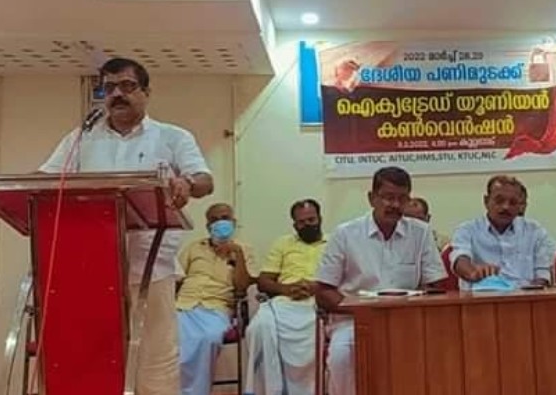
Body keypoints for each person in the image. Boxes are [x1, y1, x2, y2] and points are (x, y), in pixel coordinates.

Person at [39, 57, 213, 394]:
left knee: (155, 367)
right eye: (109, 88)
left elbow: (205, 180)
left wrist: (187, 183)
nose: (117, 94)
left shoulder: (172, 137)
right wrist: (2, 192)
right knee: (93, 363)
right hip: (91, 270)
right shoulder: (81, 138)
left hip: (150, 269)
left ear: (146, 92)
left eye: (127, 86)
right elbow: (46, 179)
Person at [315, 167, 447, 395]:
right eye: (388, 197)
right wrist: (362, 312)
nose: (395, 205)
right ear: (371, 198)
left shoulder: (421, 233)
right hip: (353, 322)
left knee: (439, 351)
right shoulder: (345, 234)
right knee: (341, 355)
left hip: (405, 321)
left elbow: (434, 286)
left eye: (402, 198)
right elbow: (323, 290)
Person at [245, 199, 327, 395]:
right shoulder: (283, 243)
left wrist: (315, 287)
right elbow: (263, 281)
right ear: (295, 225)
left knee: (320, 329)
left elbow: (346, 278)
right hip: (285, 300)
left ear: (320, 219)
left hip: (320, 301)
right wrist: (286, 289)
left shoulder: (335, 242)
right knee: (258, 327)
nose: (307, 225)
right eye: (301, 222)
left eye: (311, 220)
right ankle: (271, 389)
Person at [176, 203, 255, 395]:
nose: (220, 222)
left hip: (216, 307)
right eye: (215, 219)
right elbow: (176, 278)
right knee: (170, 339)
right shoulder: (194, 247)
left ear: (233, 222)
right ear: (208, 226)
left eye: (225, 218)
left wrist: (237, 255)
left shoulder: (244, 250)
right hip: (183, 305)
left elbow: (242, 287)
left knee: (209, 338)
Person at [449, 175, 556, 289]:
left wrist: (533, 292)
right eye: (499, 201)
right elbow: (460, 259)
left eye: (513, 202)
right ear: (486, 201)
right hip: (481, 297)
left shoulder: (534, 231)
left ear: (521, 206)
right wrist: (473, 273)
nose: (506, 207)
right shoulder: (467, 230)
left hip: (525, 296)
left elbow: (543, 273)